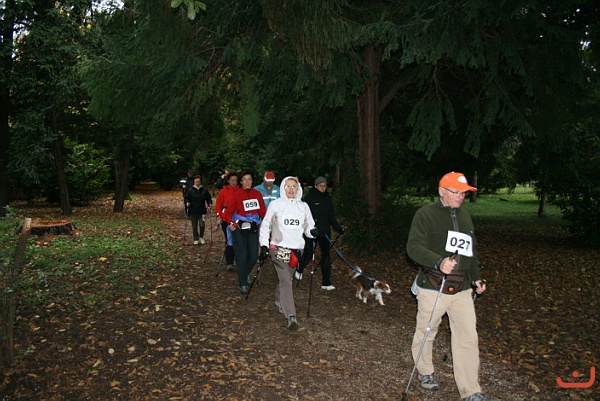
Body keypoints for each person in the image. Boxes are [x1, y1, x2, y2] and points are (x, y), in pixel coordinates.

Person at [406, 172, 488, 401]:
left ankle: (471, 390)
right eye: (455, 192)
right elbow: (413, 248)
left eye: (463, 193)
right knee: (427, 331)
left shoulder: (465, 216)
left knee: (467, 337)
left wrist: (476, 278)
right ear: (442, 191)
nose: (460, 196)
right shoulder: (425, 214)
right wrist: (438, 262)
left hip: (462, 288)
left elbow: (470, 252)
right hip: (433, 285)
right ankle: (425, 371)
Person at [259, 176, 317, 330]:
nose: (291, 189)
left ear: (298, 189)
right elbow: (266, 225)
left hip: (297, 249)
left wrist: (312, 232)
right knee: (286, 280)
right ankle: (291, 316)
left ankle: (279, 298)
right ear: (283, 188)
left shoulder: (303, 206)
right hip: (278, 248)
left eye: (294, 187)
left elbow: (308, 225)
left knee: (286, 278)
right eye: (288, 186)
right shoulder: (276, 205)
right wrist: (264, 244)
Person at [223, 170, 267, 294]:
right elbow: (228, 213)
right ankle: (243, 283)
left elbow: (262, 211)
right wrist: (230, 223)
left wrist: (268, 223)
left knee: (253, 256)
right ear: (241, 182)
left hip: (253, 227)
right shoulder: (237, 195)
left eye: (249, 179)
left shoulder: (257, 194)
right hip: (239, 227)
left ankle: (244, 273)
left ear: (252, 181)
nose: (247, 182)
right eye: (244, 180)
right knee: (241, 256)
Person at [302, 176, 344, 290]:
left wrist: (338, 228)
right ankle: (298, 270)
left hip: (324, 231)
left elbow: (331, 216)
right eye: (321, 186)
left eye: (325, 186)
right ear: (316, 186)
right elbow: (303, 215)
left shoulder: (327, 198)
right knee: (308, 252)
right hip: (311, 231)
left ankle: (326, 282)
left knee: (326, 255)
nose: (323, 188)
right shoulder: (309, 198)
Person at [215, 171, 239, 271]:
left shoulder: (241, 190)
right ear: (228, 180)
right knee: (229, 238)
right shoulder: (223, 191)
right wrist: (219, 216)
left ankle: (238, 258)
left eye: (235, 180)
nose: (234, 182)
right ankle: (229, 261)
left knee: (238, 239)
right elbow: (218, 205)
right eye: (232, 180)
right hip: (226, 218)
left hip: (237, 218)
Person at [185, 175, 212, 245]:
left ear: (200, 182)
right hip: (193, 211)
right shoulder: (190, 190)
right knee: (194, 226)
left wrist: (209, 204)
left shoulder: (204, 190)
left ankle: (201, 236)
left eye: (198, 182)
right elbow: (187, 198)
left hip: (201, 210)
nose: (197, 183)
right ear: (194, 182)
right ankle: (195, 238)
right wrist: (187, 202)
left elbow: (208, 198)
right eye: (196, 182)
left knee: (202, 224)